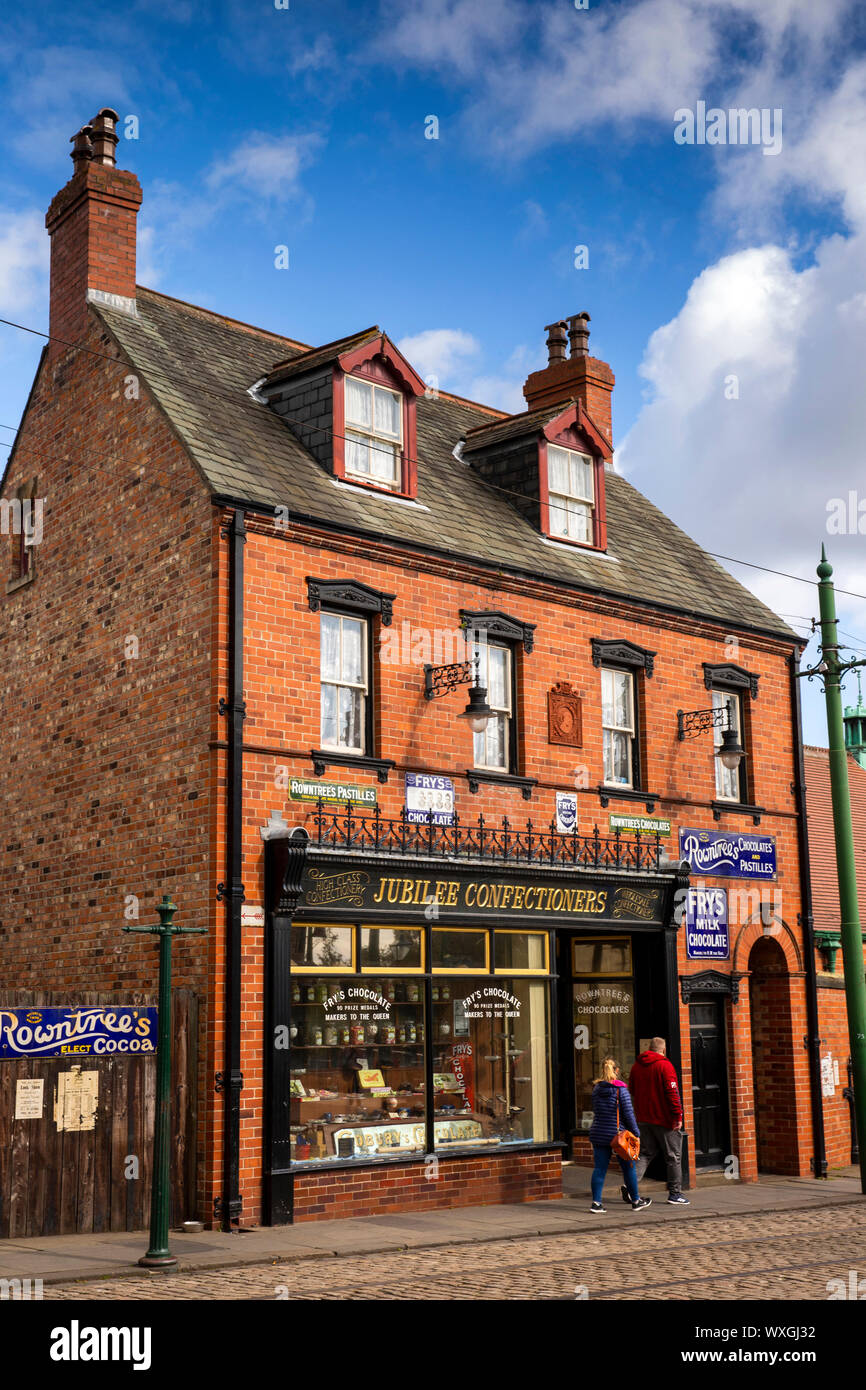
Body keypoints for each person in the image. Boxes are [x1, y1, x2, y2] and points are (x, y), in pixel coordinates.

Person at [627, 1036, 690, 1206]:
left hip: (643, 1118)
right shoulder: (665, 1065)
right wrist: (678, 1116)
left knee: (645, 1154)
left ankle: (630, 1186)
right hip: (664, 1119)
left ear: (649, 1049)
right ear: (663, 1050)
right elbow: (673, 1094)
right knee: (673, 1156)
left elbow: (631, 1090)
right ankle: (675, 1194)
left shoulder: (636, 1066)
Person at [588, 1056, 652, 1214]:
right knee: (629, 1167)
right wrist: (636, 1133)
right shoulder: (621, 1090)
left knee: (599, 1169)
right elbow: (629, 1115)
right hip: (618, 1135)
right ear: (616, 1071)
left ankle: (596, 1203)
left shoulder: (596, 1089)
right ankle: (636, 1201)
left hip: (598, 1133)